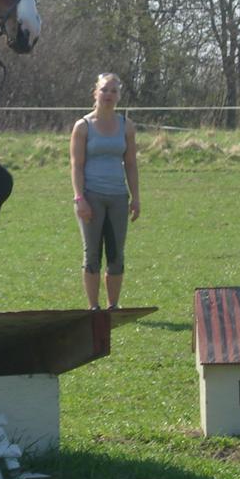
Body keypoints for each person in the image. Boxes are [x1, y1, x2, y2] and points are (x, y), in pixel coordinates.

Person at [69, 73, 140, 310]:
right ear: (95, 93)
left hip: (118, 197)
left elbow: (130, 164)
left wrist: (136, 197)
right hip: (91, 196)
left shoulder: (126, 126)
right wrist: (79, 198)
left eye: (113, 91)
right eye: (104, 90)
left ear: (119, 95)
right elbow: (76, 165)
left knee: (116, 254)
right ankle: (94, 307)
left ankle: (113, 306)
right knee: (92, 255)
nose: (108, 95)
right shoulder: (83, 126)